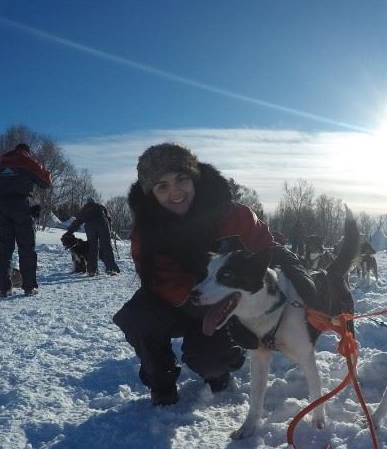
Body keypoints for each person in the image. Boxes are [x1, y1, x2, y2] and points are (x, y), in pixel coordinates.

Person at [113, 143, 312, 406]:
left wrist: (298, 275)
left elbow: (268, 248)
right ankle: (160, 381)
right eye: (162, 186)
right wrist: (213, 309)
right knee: (138, 318)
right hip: (176, 302)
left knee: (211, 361)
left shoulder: (234, 214)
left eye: (181, 179)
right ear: (152, 194)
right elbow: (162, 280)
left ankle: (219, 367)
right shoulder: (146, 230)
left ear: (194, 177)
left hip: (221, 300)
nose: (175, 193)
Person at [0, 143, 53, 296]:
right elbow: (46, 182)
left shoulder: (1, 164)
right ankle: (29, 287)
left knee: (4, 248)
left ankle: (4, 287)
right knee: (26, 247)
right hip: (21, 205)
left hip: (1, 206)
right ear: (27, 151)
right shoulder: (27, 161)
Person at [63, 198, 120, 276]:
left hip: (90, 227)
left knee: (93, 248)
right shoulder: (101, 207)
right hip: (103, 226)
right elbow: (109, 218)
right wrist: (109, 230)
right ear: (94, 202)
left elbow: (78, 221)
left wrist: (69, 231)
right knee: (107, 247)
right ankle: (111, 269)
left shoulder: (85, 209)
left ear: (87, 203)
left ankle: (92, 271)